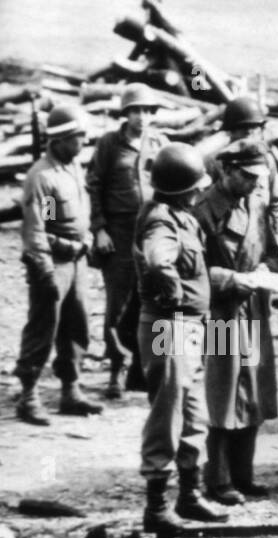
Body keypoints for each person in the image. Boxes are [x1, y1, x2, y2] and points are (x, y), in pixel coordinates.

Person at [134, 142, 227, 529]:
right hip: (167, 328)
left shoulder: (181, 216)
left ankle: (189, 495)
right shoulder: (160, 220)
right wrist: (171, 292)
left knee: (192, 414)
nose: (199, 191)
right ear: (180, 188)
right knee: (166, 414)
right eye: (194, 186)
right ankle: (156, 507)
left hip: (188, 328)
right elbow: (158, 259)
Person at [194, 140, 278, 505]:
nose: (253, 184)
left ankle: (243, 475)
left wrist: (266, 269)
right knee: (223, 395)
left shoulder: (256, 203)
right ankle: (217, 479)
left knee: (253, 392)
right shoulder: (203, 210)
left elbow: (273, 253)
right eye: (247, 177)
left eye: (258, 178)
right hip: (220, 314)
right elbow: (194, 270)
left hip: (253, 309)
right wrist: (232, 279)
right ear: (227, 171)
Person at [16, 104, 100, 426]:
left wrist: (87, 239)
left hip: (77, 263)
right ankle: (29, 396)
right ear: (62, 139)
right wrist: (46, 270)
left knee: (76, 327)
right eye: (80, 136)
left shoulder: (73, 167)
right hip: (54, 265)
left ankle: (71, 390)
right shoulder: (43, 177)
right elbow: (40, 230)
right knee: (43, 329)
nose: (84, 142)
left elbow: (73, 214)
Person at [87, 84, 166, 399]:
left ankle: (144, 369)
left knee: (149, 301)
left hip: (150, 233)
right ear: (125, 113)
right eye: (136, 110)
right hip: (118, 234)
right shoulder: (109, 144)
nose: (142, 117)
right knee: (118, 305)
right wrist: (99, 229)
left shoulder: (159, 144)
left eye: (147, 111)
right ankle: (117, 369)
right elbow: (93, 186)